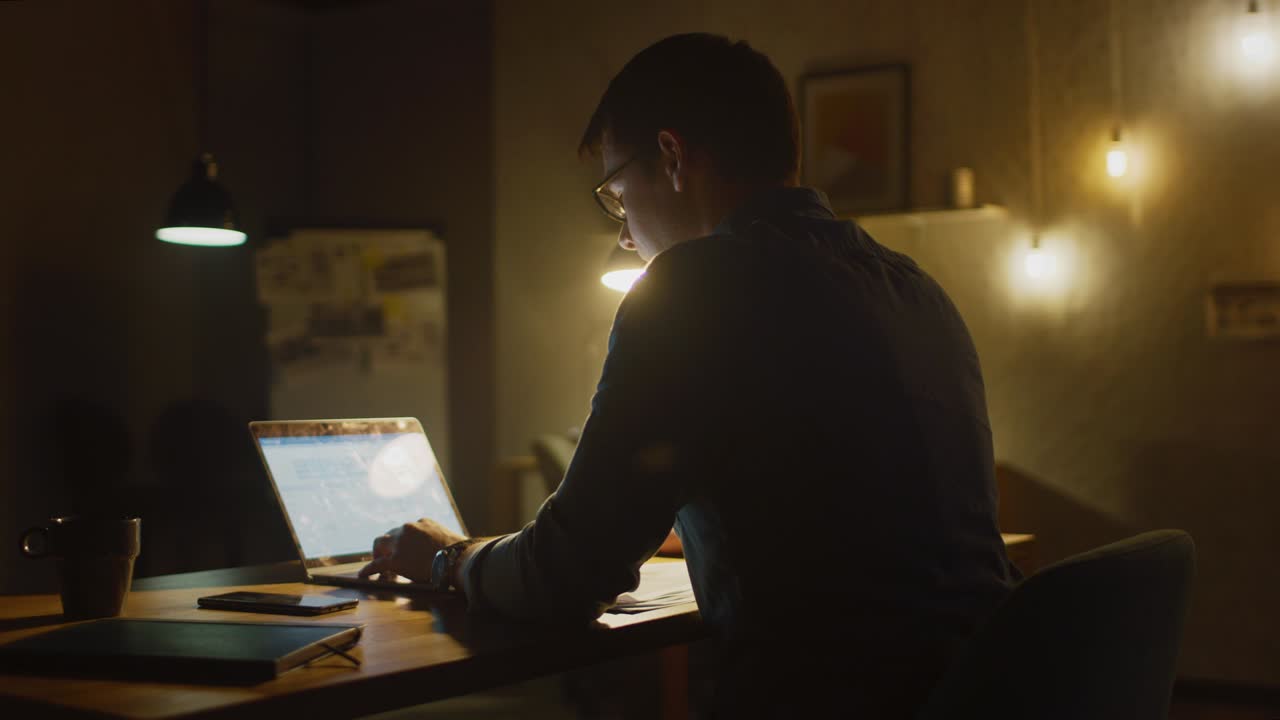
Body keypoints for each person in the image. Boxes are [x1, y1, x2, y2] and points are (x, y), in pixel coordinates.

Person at [360, 33, 1019, 717]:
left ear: (671, 156)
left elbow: (568, 572)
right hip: (987, 690)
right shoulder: (917, 290)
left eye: (618, 195)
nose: (623, 233)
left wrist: (449, 558)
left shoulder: (693, 285)